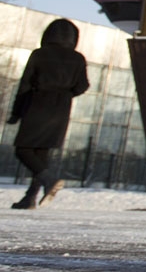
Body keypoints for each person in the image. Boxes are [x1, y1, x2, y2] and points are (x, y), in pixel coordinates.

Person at [6, 18, 90, 209]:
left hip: (37, 103)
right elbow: (83, 86)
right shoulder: (78, 58)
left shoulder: (39, 54)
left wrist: (16, 112)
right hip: (61, 108)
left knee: (24, 149)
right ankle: (30, 198)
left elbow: (25, 84)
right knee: (41, 153)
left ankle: (49, 179)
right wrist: (66, 94)